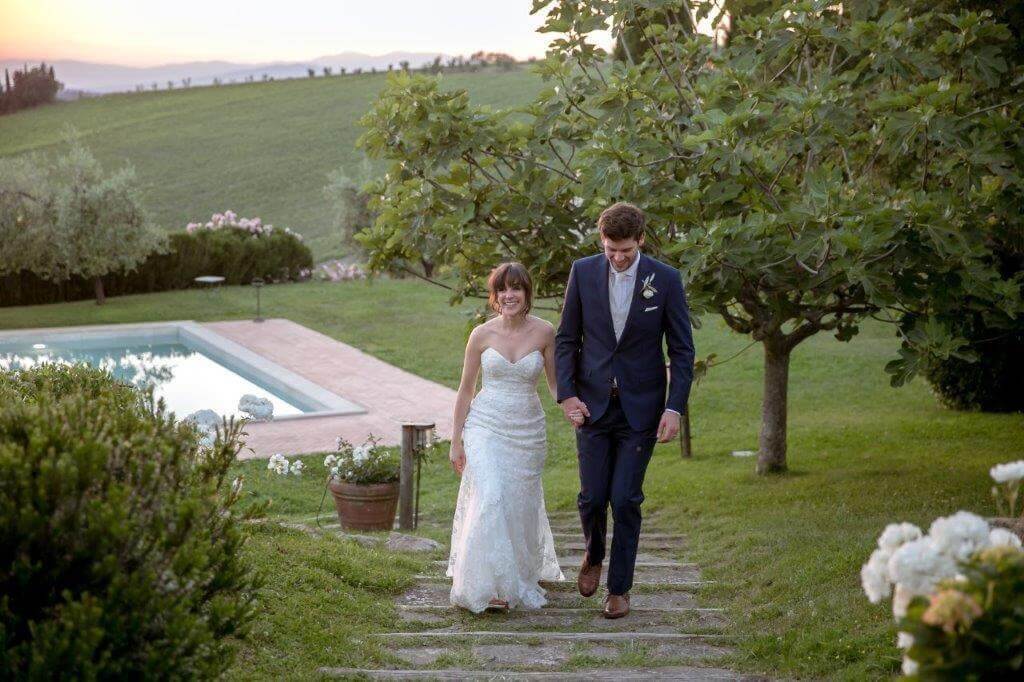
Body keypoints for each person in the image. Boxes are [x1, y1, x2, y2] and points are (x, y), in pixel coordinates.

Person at [555, 202, 695, 619]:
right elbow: (566, 339)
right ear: (602, 241)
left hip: (642, 409)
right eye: (610, 249)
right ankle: (593, 553)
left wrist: (674, 407)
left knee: (625, 498)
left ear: (641, 241)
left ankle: (619, 589)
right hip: (592, 406)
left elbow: (683, 350)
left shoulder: (666, 280)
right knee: (592, 497)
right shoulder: (582, 272)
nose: (617, 258)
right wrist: (567, 395)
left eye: (626, 252)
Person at [446, 262, 564, 612]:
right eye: (502, 289)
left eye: (516, 288)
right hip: (485, 426)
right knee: (491, 496)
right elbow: (466, 391)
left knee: (518, 505)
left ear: (527, 293)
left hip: (527, 431)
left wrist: (577, 407)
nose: (508, 295)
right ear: (494, 296)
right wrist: (456, 440)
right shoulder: (481, 335)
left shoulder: (545, 332)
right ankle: (483, 585)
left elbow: (556, 386)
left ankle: (516, 577)